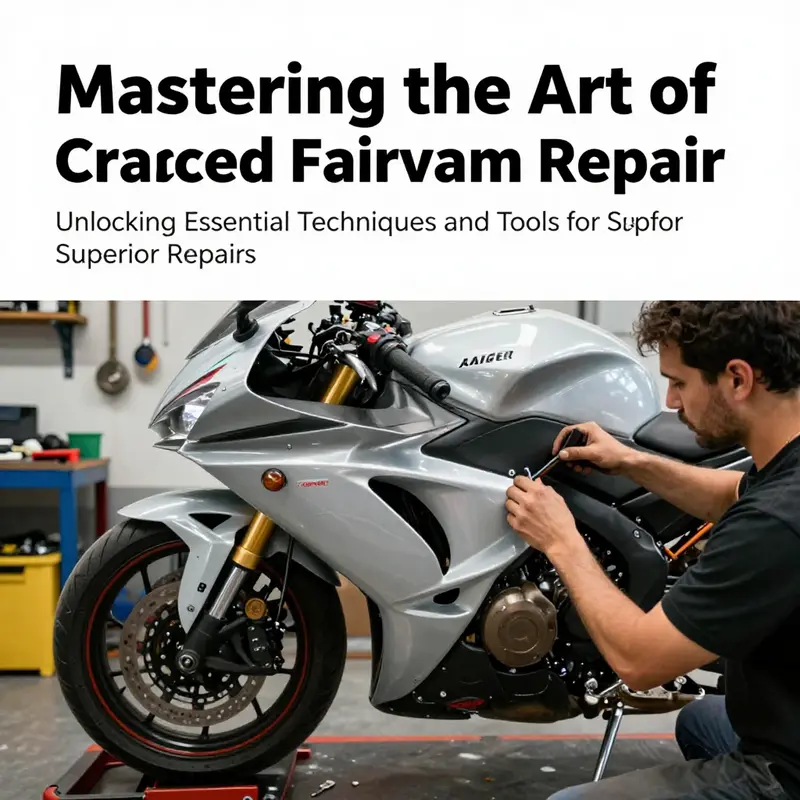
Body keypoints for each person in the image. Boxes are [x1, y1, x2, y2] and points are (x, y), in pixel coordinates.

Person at [505, 301, 800, 799]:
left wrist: (561, 540)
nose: (671, 400)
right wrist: (630, 462)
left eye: (680, 382)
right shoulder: (784, 465)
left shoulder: (777, 521)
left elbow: (640, 662)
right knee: (702, 721)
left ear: (738, 379)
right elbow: (733, 495)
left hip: (788, 770)